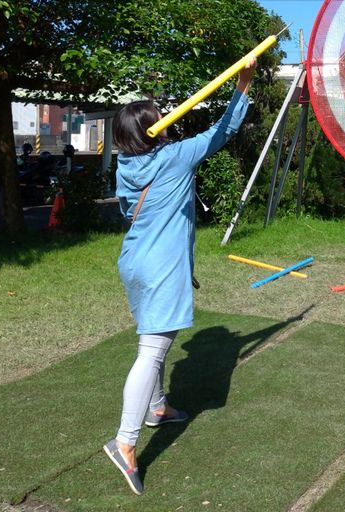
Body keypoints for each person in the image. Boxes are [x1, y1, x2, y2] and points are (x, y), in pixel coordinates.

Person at [103, 55, 256, 495]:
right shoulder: (174, 157)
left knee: (154, 337)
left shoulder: (126, 165)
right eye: (159, 117)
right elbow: (222, 131)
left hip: (134, 261)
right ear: (153, 129)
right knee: (152, 349)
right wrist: (242, 84)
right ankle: (125, 442)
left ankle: (157, 407)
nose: (167, 119)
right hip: (159, 264)